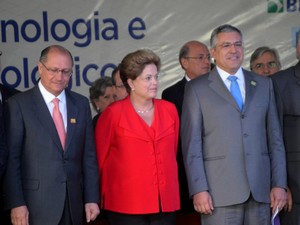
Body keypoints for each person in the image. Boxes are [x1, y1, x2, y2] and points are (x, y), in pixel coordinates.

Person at [181, 24, 287, 225]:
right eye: (226, 45)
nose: (233, 50)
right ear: (213, 52)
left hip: (261, 192)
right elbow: (191, 145)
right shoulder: (197, 88)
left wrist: (279, 184)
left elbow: (275, 139)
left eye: (238, 44)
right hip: (218, 195)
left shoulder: (264, 84)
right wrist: (199, 189)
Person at [3, 45, 100, 225]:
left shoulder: (80, 104)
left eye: (66, 71)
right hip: (35, 205)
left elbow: (89, 156)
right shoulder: (18, 104)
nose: (60, 77)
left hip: (74, 204)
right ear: (40, 68)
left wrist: (91, 198)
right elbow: (12, 159)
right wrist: (16, 203)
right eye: (54, 70)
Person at [95, 49, 180, 225]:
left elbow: (171, 153)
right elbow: (99, 161)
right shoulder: (112, 114)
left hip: (164, 204)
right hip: (126, 206)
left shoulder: (170, 110)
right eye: (148, 78)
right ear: (131, 83)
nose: (155, 83)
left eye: (156, 77)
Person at [162, 40, 210, 214]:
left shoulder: (221, 88)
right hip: (187, 175)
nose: (207, 62)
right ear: (184, 62)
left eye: (208, 57)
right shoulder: (171, 94)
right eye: (200, 57)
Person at [272, 31, 300, 225]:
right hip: (295, 188)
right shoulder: (279, 82)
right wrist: (280, 183)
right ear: (298, 48)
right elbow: (272, 138)